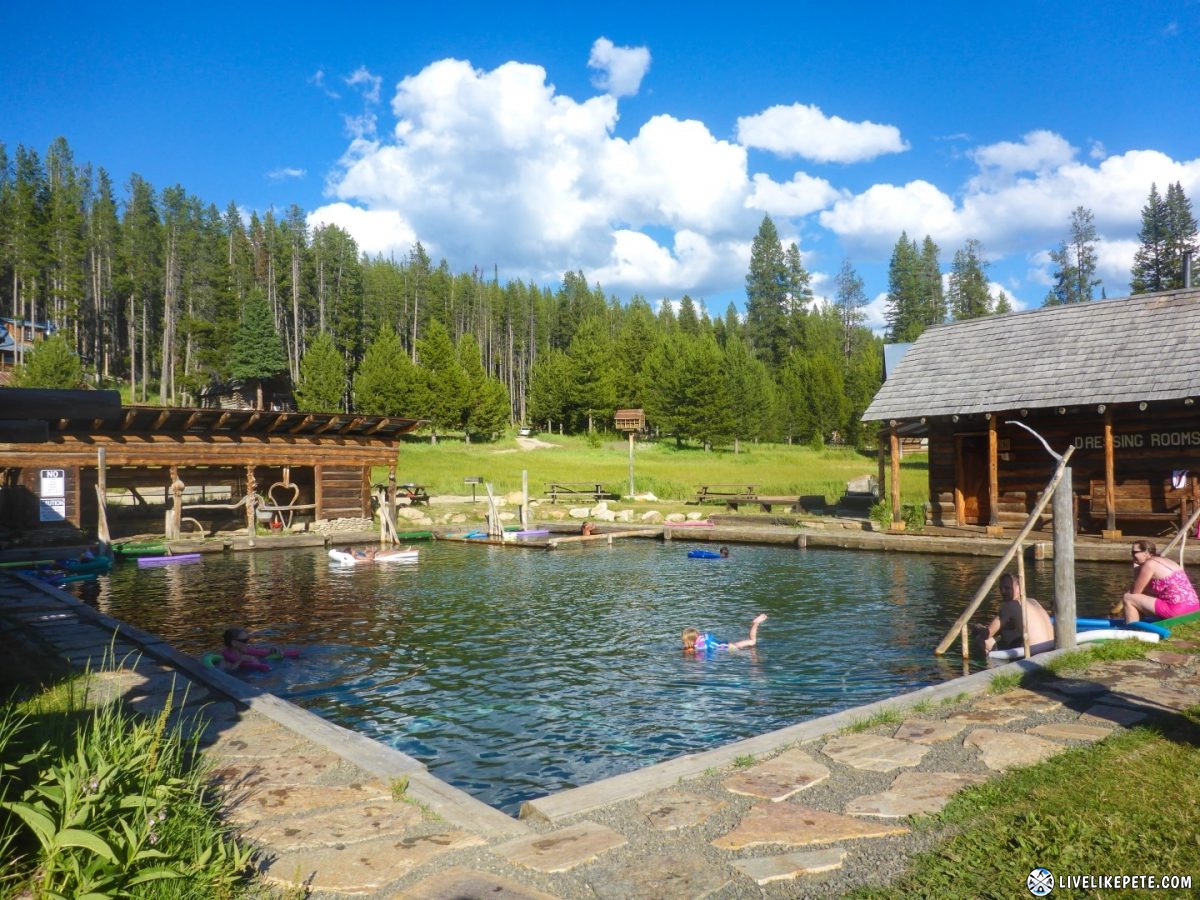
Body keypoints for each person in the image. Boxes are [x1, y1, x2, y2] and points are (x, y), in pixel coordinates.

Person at [971, 573, 1053, 654]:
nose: (1003, 591)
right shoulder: (1033, 601)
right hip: (1050, 649)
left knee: (981, 638)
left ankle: (990, 664)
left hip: (1033, 654)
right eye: (1001, 588)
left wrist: (977, 628)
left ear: (1019, 588)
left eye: (1007, 588)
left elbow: (987, 634)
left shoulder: (1010, 605)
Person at [1122, 540, 1200, 622]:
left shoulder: (1149, 565)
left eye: (1134, 552)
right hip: (1194, 608)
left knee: (1128, 598)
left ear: (1145, 553)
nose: (1132, 555)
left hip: (1178, 610)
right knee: (1144, 596)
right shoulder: (1168, 561)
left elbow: (1136, 591)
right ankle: (1140, 622)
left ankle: (1133, 630)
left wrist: (1136, 569)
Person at [682, 614, 767, 652]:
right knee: (751, 641)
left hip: (730, 648)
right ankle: (756, 623)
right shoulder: (703, 637)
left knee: (751, 645)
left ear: (690, 640)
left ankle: (756, 623)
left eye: (684, 641)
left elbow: (698, 653)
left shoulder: (699, 646)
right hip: (727, 644)